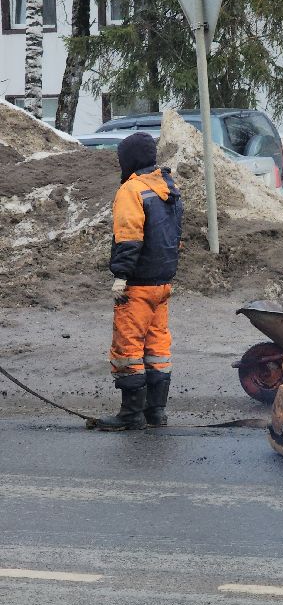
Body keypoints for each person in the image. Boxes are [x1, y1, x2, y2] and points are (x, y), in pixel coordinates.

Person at [97, 132, 183, 431]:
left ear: (130, 159)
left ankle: (131, 414)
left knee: (129, 349)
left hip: (138, 285)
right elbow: (173, 237)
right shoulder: (168, 187)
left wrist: (121, 276)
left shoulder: (131, 190)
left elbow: (129, 236)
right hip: (162, 283)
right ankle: (155, 412)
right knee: (157, 349)